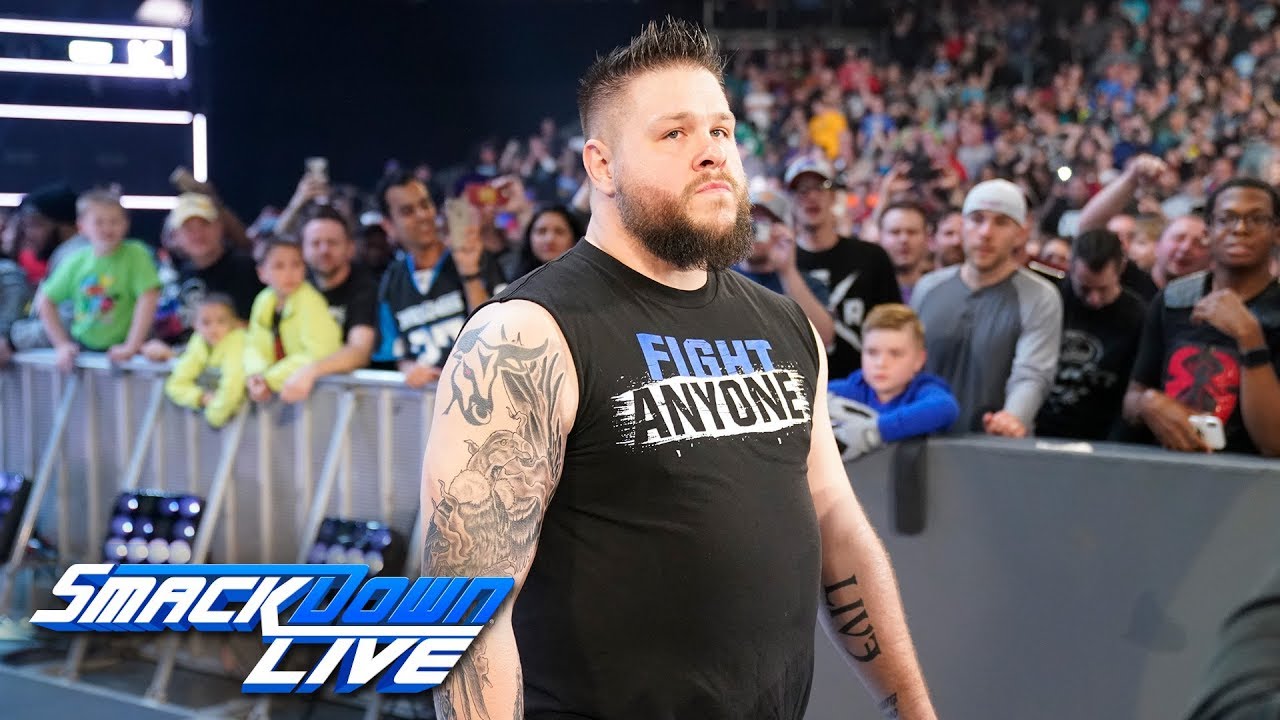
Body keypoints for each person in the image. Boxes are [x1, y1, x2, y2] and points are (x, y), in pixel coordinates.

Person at [422, 18, 936, 720]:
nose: (712, 152)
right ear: (602, 166)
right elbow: (467, 609)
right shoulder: (525, 335)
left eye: (721, 130)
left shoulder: (785, 325)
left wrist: (912, 707)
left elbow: (835, 522)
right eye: (674, 134)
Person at [1122, 178, 1280, 456]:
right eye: (1226, 219)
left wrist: (1250, 338)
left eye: (1257, 219)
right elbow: (1132, 399)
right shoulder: (1173, 299)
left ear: (1276, 232)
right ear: (1208, 230)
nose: (1240, 229)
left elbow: (1274, 443)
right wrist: (1149, 403)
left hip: (1248, 475)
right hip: (1168, 467)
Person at [911, 179, 1063, 437]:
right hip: (922, 441)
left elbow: (1033, 374)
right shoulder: (928, 288)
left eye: (1001, 222)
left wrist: (1014, 418)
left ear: (1020, 233)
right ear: (963, 226)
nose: (986, 232)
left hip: (995, 445)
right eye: (977, 219)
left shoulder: (1040, 297)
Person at [372, 171, 506, 388]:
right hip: (429, 404)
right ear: (389, 225)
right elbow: (396, 353)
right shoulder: (390, 281)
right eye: (407, 211)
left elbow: (497, 333)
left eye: (425, 205)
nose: (422, 215)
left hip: (485, 392)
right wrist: (409, 369)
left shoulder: (479, 258)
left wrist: (470, 274)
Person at [788, 155, 902, 380]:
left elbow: (894, 326)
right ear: (790, 200)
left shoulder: (871, 257)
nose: (811, 196)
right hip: (799, 388)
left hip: (864, 386)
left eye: (820, 187)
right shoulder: (782, 263)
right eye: (802, 190)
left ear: (833, 196)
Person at [1036, 229, 1147, 440]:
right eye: (1084, 288)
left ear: (1121, 268)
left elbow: (1132, 391)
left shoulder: (1137, 317)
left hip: (1101, 436)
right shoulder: (1050, 299)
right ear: (1070, 266)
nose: (1094, 299)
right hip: (1040, 428)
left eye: (1103, 289)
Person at [36, 190, 161, 372]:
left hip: (130, 349)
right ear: (82, 226)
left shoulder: (136, 254)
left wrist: (131, 345)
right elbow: (45, 300)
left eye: (114, 221)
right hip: (84, 349)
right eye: (99, 222)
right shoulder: (76, 261)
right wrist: (62, 344)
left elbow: (149, 296)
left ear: (126, 224)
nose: (107, 228)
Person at [828, 304, 959, 459]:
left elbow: (945, 408)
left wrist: (873, 432)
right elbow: (811, 392)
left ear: (919, 360)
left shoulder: (923, 390)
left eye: (895, 354)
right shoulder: (853, 389)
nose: (881, 363)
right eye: (872, 352)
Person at [142, 193, 264, 360]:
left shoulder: (244, 268)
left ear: (219, 227)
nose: (198, 233)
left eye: (205, 224)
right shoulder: (179, 273)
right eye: (188, 228)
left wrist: (178, 353)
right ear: (175, 236)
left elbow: (254, 327)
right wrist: (158, 345)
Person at [280, 206, 378, 403]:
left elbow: (360, 350)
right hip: (300, 398)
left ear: (350, 248)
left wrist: (311, 371)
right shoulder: (294, 286)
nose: (324, 250)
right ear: (302, 249)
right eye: (315, 243)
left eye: (332, 243)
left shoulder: (365, 286)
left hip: (356, 401)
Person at [242, 239, 342, 404]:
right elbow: (254, 345)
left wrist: (269, 379)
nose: (289, 273)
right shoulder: (263, 300)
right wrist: (255, 374)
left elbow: (321, 352)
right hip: (280, 390)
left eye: (296, 264)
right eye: (279, 266)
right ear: (262, 273)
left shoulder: (310, 300)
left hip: (316, 394)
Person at [735, 187, 836, 346]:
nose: (754, 231)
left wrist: (787, 270)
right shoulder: (719, 278)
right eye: (750, 221)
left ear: (784, 231)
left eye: (765, 224)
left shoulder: (807, 284)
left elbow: (824, 338)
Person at [163, 293, 246, 428]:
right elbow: (175, 384)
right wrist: (201, 397)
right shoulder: (197, 343)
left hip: (248, 417)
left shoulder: (238, 341)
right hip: (224, 415)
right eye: (206, 322)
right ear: (195, 325)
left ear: (233, 323)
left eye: (221, 321)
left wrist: (214, 418)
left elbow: (233, 384)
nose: (213, 329)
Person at [878, 201, 934, 304]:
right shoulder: (866, 291)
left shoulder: (939, 291)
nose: (904, 239)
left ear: (926, 237)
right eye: (895, 232)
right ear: (880, 237)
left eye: (912, 232)